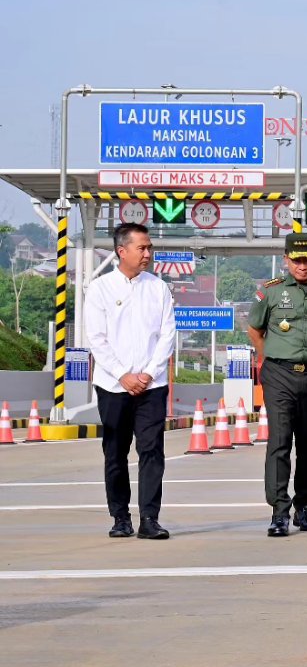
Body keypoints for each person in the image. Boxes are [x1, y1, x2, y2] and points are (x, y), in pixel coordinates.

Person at [247, 233, 307, 538]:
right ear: (286, 260)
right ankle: (279, 512)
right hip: (279, 374)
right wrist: (272, 359)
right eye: (297, 260)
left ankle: (305, 508)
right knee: (279, 443)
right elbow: (254, 329)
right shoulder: (271, 292)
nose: (303, 267)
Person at [84, 223, 177, 540]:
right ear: (121, 251)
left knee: (151, 451)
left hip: (152, 386)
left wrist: (148, 373)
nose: (148, 253)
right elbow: (97, 339)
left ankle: (149, 518)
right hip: (113, 386)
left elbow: (167, 336)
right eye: (142, 248)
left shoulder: (159, 288)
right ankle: (120, 517)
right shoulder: (100, 289)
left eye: (150, 247)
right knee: (115, 452)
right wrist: (123, 375)